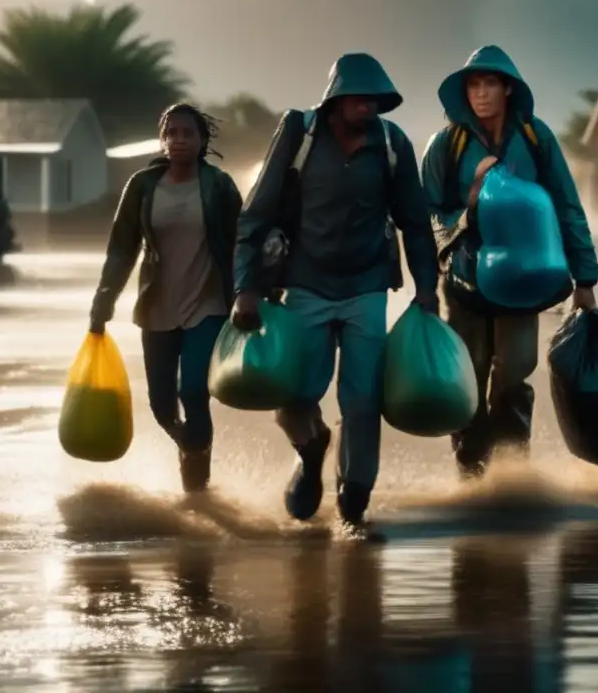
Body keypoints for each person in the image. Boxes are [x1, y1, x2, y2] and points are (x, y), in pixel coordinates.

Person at [231, 52, 440, 528]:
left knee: (362, 400)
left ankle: (355, 495)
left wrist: (427, 287)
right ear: (334, 100)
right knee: (296, 394)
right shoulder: (298, 133)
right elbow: (256, 212)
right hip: (305, 283)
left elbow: (415, 222)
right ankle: (310, 454)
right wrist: (245, 287)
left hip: (367, 288)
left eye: (375, 100)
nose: (367, 108)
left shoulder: (392, 144)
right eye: (357, 99)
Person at [421, 45, 598, 478]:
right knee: (469, 377)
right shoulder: (447, 144)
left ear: (508, 89)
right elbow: (423, 213)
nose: (481, 93)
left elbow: (567, 207)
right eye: (473, 85)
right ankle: (470, 474)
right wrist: (465, 217)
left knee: (513, 377)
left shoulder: (537, 139)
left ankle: (512, 477)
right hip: (465, 281)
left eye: (490, 84)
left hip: (525, 280)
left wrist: (585, 278)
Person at [88, 103, 243, 493]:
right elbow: (122, 248)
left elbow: (244, 243)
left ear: (202, 140)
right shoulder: (142, 186)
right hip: (157, 305)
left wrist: (254, 292)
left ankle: (197, 487)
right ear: (163, 139)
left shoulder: (219, 185)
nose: (178, 140)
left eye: (187, 133)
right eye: (171, 133)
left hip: (208, 303)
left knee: (192, 389)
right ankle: (191, 446)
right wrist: (104, 300)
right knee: (160, 405)